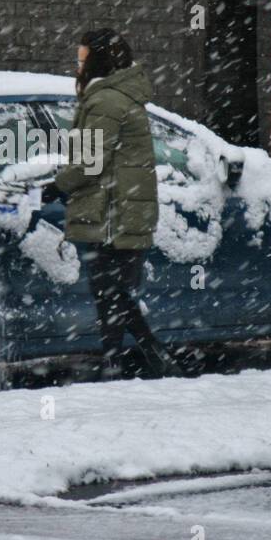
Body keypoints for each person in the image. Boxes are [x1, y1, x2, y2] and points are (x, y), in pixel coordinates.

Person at [43, 28, 183, 379]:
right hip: (121, 209)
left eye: (82, 59)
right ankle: (119, 363)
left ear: (98, 62)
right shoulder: (118, 95)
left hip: (109, 212)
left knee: (111, 295)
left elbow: (91, 161)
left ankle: (140, 359)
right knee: (114, 295)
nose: (77, 66)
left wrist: (57, 187)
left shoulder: (105, 100)